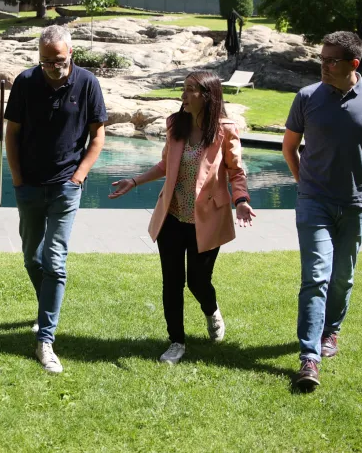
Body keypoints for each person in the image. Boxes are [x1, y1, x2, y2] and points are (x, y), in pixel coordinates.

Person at [109, 70, 255, 365]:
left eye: (190, 90)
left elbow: (236, 170)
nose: (184, 96)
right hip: (172, 217)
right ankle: (176, 341)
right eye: (184, 89)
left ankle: (211, 310)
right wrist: (135, 181)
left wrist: (241, 200)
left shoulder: (225, 129)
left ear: (207, 95)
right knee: (172, 282)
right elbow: (166, 165)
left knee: (198, 282)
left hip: (207, 220)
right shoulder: (176, 124)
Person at [282, 31, 362, 391]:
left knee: (342, 278)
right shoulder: (307, 98)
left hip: (357, 205)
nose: (324, 66)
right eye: (322, 59)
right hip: (314, 201)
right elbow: (289, 147)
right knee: (316, 276)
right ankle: (309, 357)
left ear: (353, 64)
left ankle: (331, 332)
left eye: (332, 61)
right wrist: (304, 185)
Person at [4, 24, 107, 374]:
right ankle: (46, 307)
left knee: (55, 260)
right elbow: (12, 135)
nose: (52, 66)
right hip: (29, 185)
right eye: (45, 60)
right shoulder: (25, 82)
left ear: (71, 55)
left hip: (66, 185)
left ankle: (45, 341)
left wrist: (79, 176)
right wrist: (17, 179)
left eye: (58, 60)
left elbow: (97, 137)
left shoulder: (88, 84)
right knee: (32, 257)